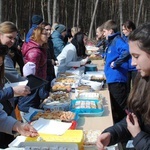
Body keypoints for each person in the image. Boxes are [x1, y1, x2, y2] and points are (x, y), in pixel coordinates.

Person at [96, 23, 150, 150]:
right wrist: (112, 133)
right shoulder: (143, 80)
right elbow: (135, 121)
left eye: (136, 56)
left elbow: (137, 130)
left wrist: (138, 136)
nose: (132, 62)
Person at [103, 20, 129, 123]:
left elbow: (127, 50)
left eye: (104, 31)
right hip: (111, 78)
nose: (103, 33)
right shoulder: (111, 41)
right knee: (114, 105)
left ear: (110, 31)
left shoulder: (118, 40)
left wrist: (116, 63)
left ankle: (127, 131)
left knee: (120, 107)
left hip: (117, 79)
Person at [41, 22, 58, 88]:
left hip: (51, 69)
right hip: (44, 71)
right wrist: (49, 61)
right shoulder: (40, 42)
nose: (48, 32)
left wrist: (55, 60)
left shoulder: (50, 41)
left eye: (50, 30)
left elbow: (52, 54)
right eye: (46, 30)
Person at [122, 20, 137, 94]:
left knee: (135, 87)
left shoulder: (136, 38)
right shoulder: (124, 38)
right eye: (122, 29)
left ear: (130, 29)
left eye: (124, 29)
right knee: (126, 88)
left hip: (135, 68)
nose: (123, 31)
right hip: (126, 67)